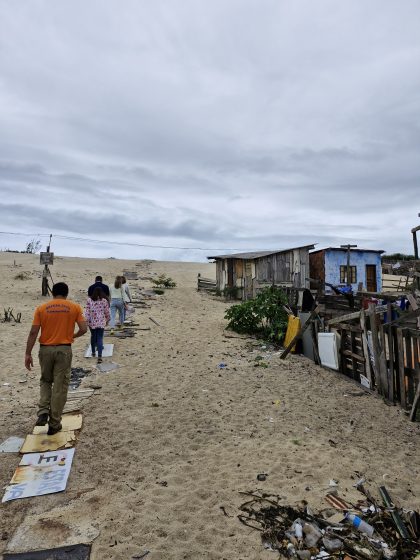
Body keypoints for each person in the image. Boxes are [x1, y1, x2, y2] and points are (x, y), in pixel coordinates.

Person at [25, 282, 87, 435]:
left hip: (45, 349)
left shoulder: (41, 308)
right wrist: (73, 335)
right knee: (60, 386)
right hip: (64, 349)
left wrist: (28, 353)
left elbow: (33, 333)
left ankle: (43, 412)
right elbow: (84, 329)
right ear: (66, 293)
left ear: (52, 293)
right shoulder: (74, 307)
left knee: (45, 380)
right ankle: (54, 423)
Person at [85, 287, 110, 363]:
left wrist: (86, 321)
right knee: (99, 338)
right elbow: (107, 312)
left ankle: (93, 352)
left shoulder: (89, 300)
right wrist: (108, 319)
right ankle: (99, 356)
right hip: (101, 322)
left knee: (93, 337)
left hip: (92, 322)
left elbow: (87, 312)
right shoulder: (104, 301)